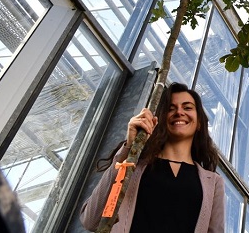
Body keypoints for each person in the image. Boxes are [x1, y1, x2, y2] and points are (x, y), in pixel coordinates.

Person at [80, 83, 225, 232]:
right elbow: (91, 221)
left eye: (187, 107)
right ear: (161, 119)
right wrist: (130, 147)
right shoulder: (134, 166)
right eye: (171, 108)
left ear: (199, 122)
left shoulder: (213, 183)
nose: (179, 112)